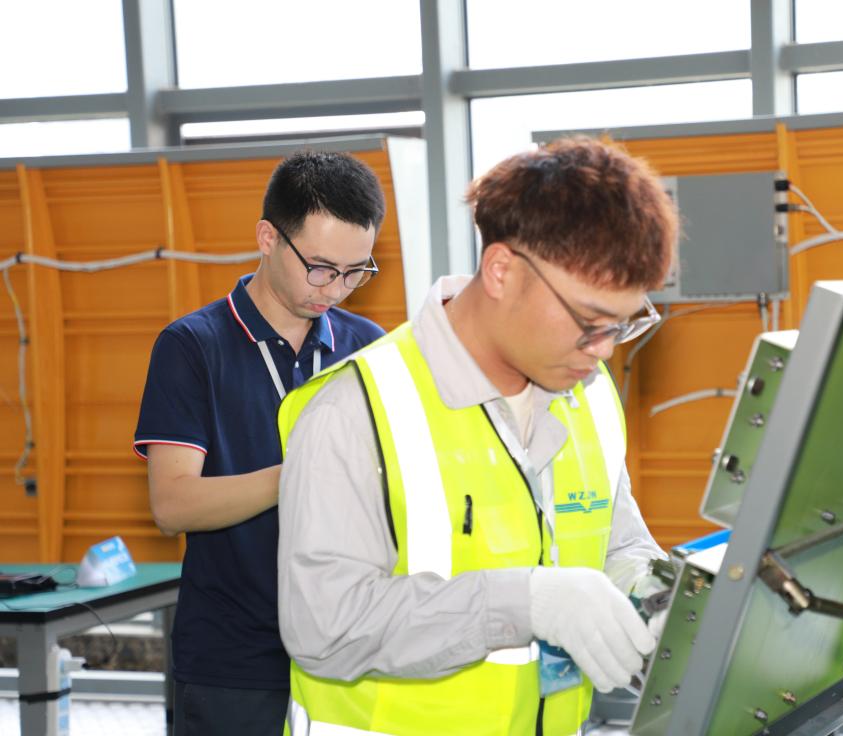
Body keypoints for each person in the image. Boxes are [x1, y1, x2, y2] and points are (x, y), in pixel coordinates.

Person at [277, 136, 678, 736]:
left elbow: (618, 547)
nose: (603, 351)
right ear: (501, 271)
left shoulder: (590, 397)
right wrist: (526, 602)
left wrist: (655, 598)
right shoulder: (355, 409)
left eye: (623, 325)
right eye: (589, 322)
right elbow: (325, 626)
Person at [134, 150, 387, 736]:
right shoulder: (192, 346)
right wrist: (305, 472)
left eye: (356, 272)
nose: (336, 289)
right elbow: (173, 504)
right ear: (268, 238)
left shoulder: (369, 347)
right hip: (235, 659)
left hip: (347, 648)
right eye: (321, 268)